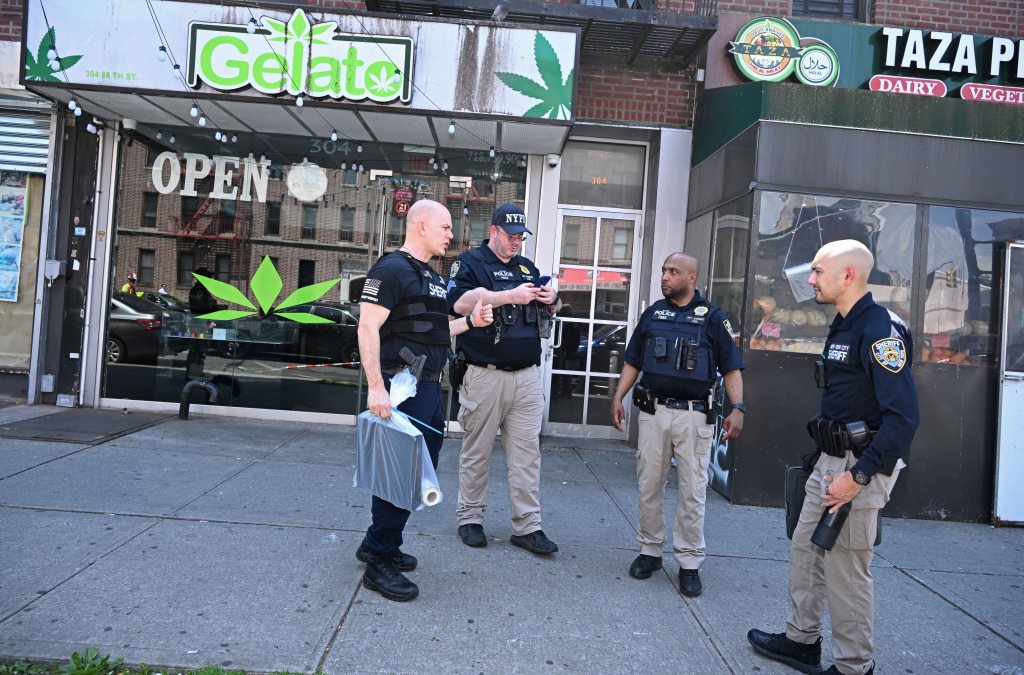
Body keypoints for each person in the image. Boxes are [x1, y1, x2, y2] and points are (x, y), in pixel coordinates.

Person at [747, 239, 919, 675]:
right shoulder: (845, 324)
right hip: (830, 459)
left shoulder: (880, 330)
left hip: (859, 467)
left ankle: (853, 666)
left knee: (846, 572)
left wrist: (857, 477)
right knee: (806, 551)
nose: (810, 279)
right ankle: (801, 641)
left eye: (818, 271)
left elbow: (903, 419)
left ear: (848, 275)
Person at [356, 199, 492, 602]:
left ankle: (378, 543)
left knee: (416, 473)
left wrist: (469, 323)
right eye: (445, 226)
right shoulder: (390, 269)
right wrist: (376, 388)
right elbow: (367, 327)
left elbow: (433, 329)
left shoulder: (431, 276)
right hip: (403, 388)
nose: (451, 234)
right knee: (400, 474)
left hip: (430, 387)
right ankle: (378, 562)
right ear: (419, 225)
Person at [610, 252, 745, 597]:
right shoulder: (653, 314)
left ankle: (689, 562)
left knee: (692, 490)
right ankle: (650, 550)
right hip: (654, 413)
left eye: (674, 272)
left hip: (694, 415)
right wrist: (617, 397)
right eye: (664, 271)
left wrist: (738, 408)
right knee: (648, 484)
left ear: (692, 278)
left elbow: (731, 368)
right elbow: (632, 361)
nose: (666, 277)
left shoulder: (713, 318)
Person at [447, 203, 560, 555]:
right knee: (477, 452)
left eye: (520, 237)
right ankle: (470, 519)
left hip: (526, 377)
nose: (516, 243)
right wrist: (507, 296)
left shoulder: (527, 267)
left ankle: (528, 527)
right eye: (510, 236)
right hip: (484, 374)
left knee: (527, 456)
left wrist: (552, 301)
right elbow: (459, 303)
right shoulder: (470, 263)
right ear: (493, 231)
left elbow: (542, 308)